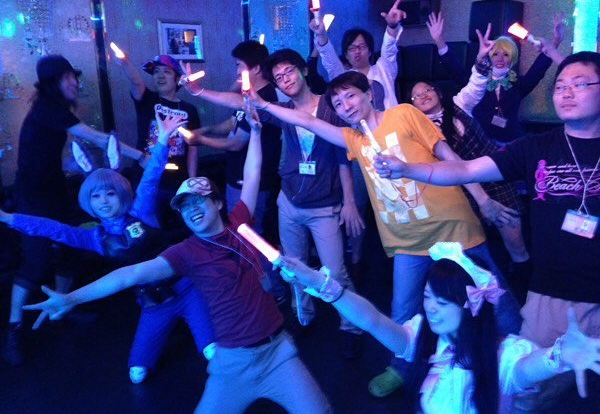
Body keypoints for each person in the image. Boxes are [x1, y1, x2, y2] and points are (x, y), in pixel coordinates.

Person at [24, 110, 331, 414]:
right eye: (185, 206)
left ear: (217, 202)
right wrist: (72, 297)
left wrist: (256, 133)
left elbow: (252, 175)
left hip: (278, 354)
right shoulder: (186, 252)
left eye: (199, 200)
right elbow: (129, 275)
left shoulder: (239, 224)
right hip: (232, 364)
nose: (192, 209)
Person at [247, 61, 523, 397]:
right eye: (338, 103)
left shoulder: (404, 113)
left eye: (351, 96)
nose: (346, 106)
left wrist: (482, 199)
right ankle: (402, 366)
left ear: (368, 94)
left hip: (453, 226)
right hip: (407, 241)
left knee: (493, 292)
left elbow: (449, 155)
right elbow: (307, 121)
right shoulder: (355, 140)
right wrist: (263, 105)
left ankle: (521, 355)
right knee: (403, 309)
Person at [371, 51, 600, 411]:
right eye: (560, 86)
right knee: (527, 396)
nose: (566, 93)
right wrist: (407, 169)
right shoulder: (537, 147)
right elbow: (464, 170)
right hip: (553, 295)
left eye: (580, 84)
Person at [0, 113, 214, 383]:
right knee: (137, 373)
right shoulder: (95, 237)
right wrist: (9, 219)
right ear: (88, 200)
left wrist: (162, 140)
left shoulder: (142, 212)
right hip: (153, 304)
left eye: (110, 193)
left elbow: (150, 178)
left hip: (187, 290)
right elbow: (52, 229)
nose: (103, 201)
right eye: (96, 195)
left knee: (213, 352)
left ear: (121, 194)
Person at [182, 49, 365, 358]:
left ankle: (352, 326)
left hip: (324, 207)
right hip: (290, 201)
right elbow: (240, 103)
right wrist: (200, 92)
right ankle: (304, 316)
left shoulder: (329, 107)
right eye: (278, 77)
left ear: (304, 70)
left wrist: (349, 202)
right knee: (293, 267)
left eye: (289, 71)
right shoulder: (281, 110)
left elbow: (342, 158)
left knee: (335, 271)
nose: (285, 79)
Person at [276, 242, 600, 414]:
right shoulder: (423, 340)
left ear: (471, 306)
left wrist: (559, 355)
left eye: (442, 302)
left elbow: (527, 369)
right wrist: (321, 283)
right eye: (428, 297)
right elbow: (372, 320)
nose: (430, 307)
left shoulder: (502, 356)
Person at [2, 54, 148, 366]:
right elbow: (97, 139)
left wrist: (73, 166)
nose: (74, 82)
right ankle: (13, 329)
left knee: (70, 252)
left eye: (73, 76)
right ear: (52, 83)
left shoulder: (56, 111)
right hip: (32, 195)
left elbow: (59, 150)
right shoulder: (47, 108)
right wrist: (140, 156)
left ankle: (64, 304)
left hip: (54, 190)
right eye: (67, 77)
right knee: (37, 260)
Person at [406, 24, 532, 302]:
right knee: (480, 251)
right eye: (416, 96)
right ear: (412, 106)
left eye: (427, 90)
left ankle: (526, 296)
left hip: (495, 178)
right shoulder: (419, 132)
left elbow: (476, 83)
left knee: (516, 244)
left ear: (438, 93)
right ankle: (491, 299)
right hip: (464, 193)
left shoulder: (460, 104)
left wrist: (481, 59)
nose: (423, 95)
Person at [184, 40, 281, 243]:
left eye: (239, 65)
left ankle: (252, 263)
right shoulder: (248, 94)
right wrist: (208, 129)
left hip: (253, 181)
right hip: (236, 173)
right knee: (236, 227)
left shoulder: (265, 98)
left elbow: (237, 142)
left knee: (249, 233)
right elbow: (233, 122)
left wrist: (200, 140)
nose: (236, 71)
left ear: (256, 68)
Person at [427, 12, 565, 145]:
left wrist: (556, 42)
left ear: (512, 58)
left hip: (511, 142)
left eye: (505, 54)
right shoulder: (477, 81)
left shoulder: (517, 83)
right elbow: (454, 69)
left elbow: (537, 71)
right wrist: (439, 40)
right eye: (495, 54)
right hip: (481, 140)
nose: (500, 58)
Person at [112, 50, 200, 229]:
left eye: (166, 72)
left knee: (180, 227)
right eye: (156, 72)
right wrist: (126, 62)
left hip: (178, 178)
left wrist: (192, 180)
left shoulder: (190, 109)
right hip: (147, 176)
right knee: (149, 226)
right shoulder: (148, 100)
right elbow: (136, 82)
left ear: (177, 79)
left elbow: (193, 148)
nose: (160, 75)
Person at [311, 0, 405, 110]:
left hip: (391, 120)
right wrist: (321, 34)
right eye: (351, 48)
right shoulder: (343, 78)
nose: (357, 51)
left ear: (370, 51)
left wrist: (392, 26)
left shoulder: (383, 69)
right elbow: (330, 60)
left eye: (362, 46)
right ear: (346, 55)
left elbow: (389, 48)